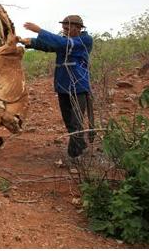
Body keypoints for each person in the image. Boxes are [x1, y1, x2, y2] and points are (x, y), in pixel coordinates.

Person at [19, 15, 93, 160]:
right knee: (69, 122)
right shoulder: (65, 41)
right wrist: (29, 42)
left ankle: (75, 156)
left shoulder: (85, 40)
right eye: (63, 27)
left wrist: (39, 30)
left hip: (78, 87)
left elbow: (60, 43)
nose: (64, 30)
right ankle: (81, 147)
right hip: (63, 87)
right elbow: (50, 45)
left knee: (76, 122)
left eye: (67, 27)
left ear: (78, 28)